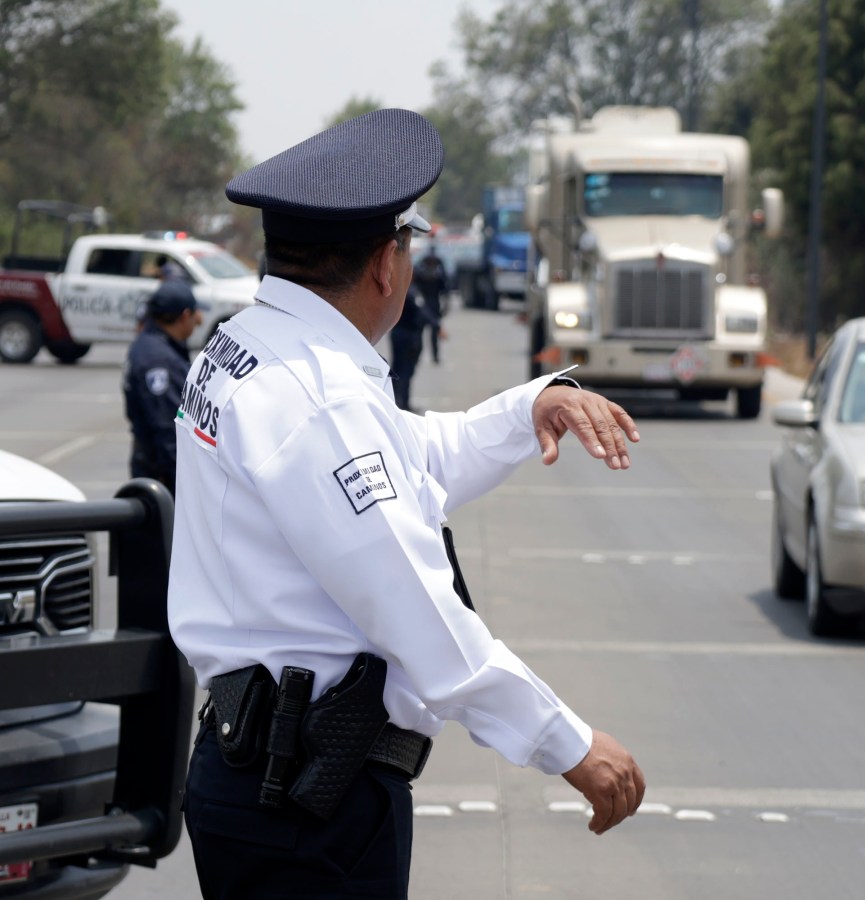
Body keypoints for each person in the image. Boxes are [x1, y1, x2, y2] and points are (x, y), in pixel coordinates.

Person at [167, 108, 645, 900]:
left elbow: (405, 461)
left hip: (263, 778)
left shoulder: (249, 344)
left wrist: (532, 409)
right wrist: (570, 745)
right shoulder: (318, 396)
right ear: (386, 266)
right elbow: (418, 610)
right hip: (311, 809)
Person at [122, 279, 207, 494]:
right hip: (163, 476)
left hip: (153, 467)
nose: (199, 321)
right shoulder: (159, 361)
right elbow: (169, 431)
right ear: (185, 316)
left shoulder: (152, 344)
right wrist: (189, 487)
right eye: (195, 315)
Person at [389, 284, 439, 411]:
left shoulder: (401, 289)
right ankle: (402, 404)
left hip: (399, 333)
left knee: (399, 369)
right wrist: (436, 324)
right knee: (405, 370)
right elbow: (421, 310)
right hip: (408, 336)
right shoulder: (411, 291)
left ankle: (397, 402)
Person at [412, 244, 448, 362]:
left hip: (433, 302)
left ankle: (435, 355)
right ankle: (418, 353)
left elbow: (445, 289)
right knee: (420, 331)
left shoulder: (439, 273)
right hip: (424, 302)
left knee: (433, 332)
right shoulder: (421, 270)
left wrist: (446, 305)